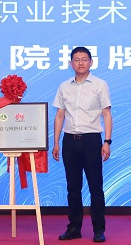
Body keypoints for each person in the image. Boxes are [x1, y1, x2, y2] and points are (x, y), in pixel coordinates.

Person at [52, 46, 113, 243]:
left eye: (84, 59)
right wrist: (56, 142)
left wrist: (107, 141)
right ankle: (74, 228)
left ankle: (98, 229)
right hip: (69, 141)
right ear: (71, 63)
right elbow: (59, 115)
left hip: (91, 140)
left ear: (91, 62)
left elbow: (106, 114)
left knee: (96, 187)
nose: (80, 63)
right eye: (76, 59)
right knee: (73, 187)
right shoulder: (64, 86)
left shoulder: (100, 85)